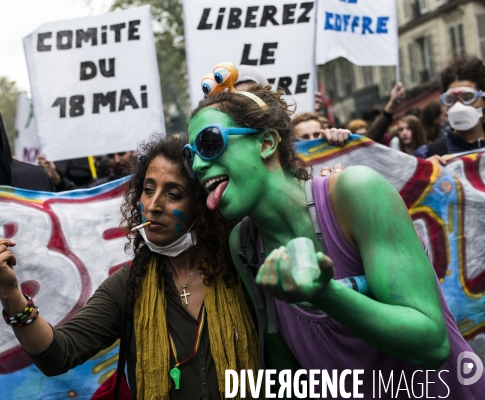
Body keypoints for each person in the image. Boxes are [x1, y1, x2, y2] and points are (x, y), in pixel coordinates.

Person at [184, 84, 484, 398]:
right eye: (191, 157)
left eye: (210, 143)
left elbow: (432, 344)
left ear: (267, 142)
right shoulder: (243, 244)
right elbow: (283, 363)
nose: (200, 165)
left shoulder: (356, 191)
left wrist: (325, 294)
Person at [0, 135, 259, 399]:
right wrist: (8, 290)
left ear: (203, 204)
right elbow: (56, 356)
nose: (153, 205)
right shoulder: (128, 285)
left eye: (173, 194)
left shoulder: (242, 267)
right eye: (148, 190)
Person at [413, 56, 485, 164]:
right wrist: (424, 173)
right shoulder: (428, 154)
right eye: (450, 99)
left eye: (467, 97)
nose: (458, 106)